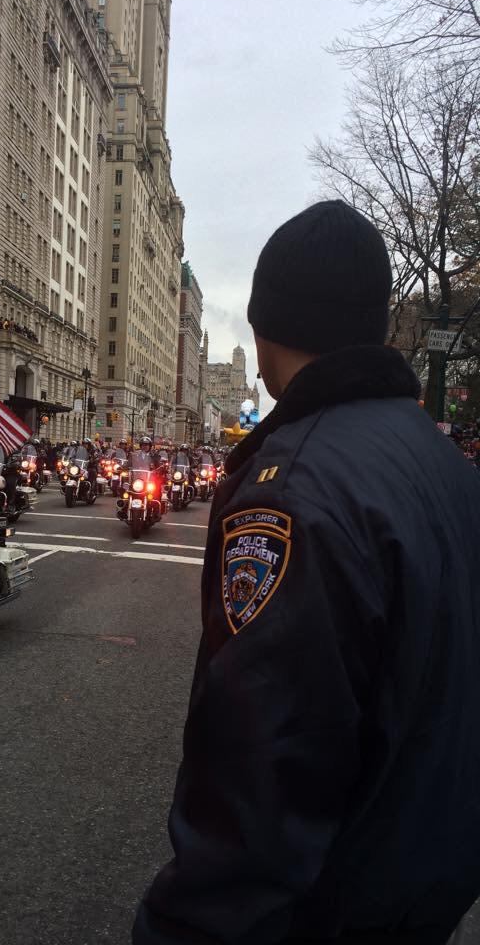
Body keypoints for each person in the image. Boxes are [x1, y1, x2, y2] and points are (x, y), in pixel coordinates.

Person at [134, 200, 480, 944]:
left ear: (263, 331)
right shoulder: (443, 463)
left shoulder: (290, 491)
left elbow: (264, 773)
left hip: (332, 907)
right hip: (424, 883)